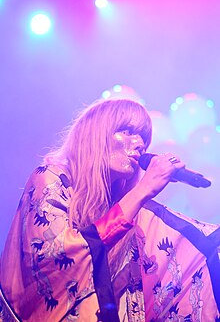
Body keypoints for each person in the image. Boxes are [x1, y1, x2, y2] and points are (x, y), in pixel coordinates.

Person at [0, 98, 219, 322]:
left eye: (143, 137)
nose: (139, 144)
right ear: (96, 135)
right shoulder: (50, 178)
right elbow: (59, 258)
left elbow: (197, 242)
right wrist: (143, 189)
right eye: (127, 131)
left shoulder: (131, 208)